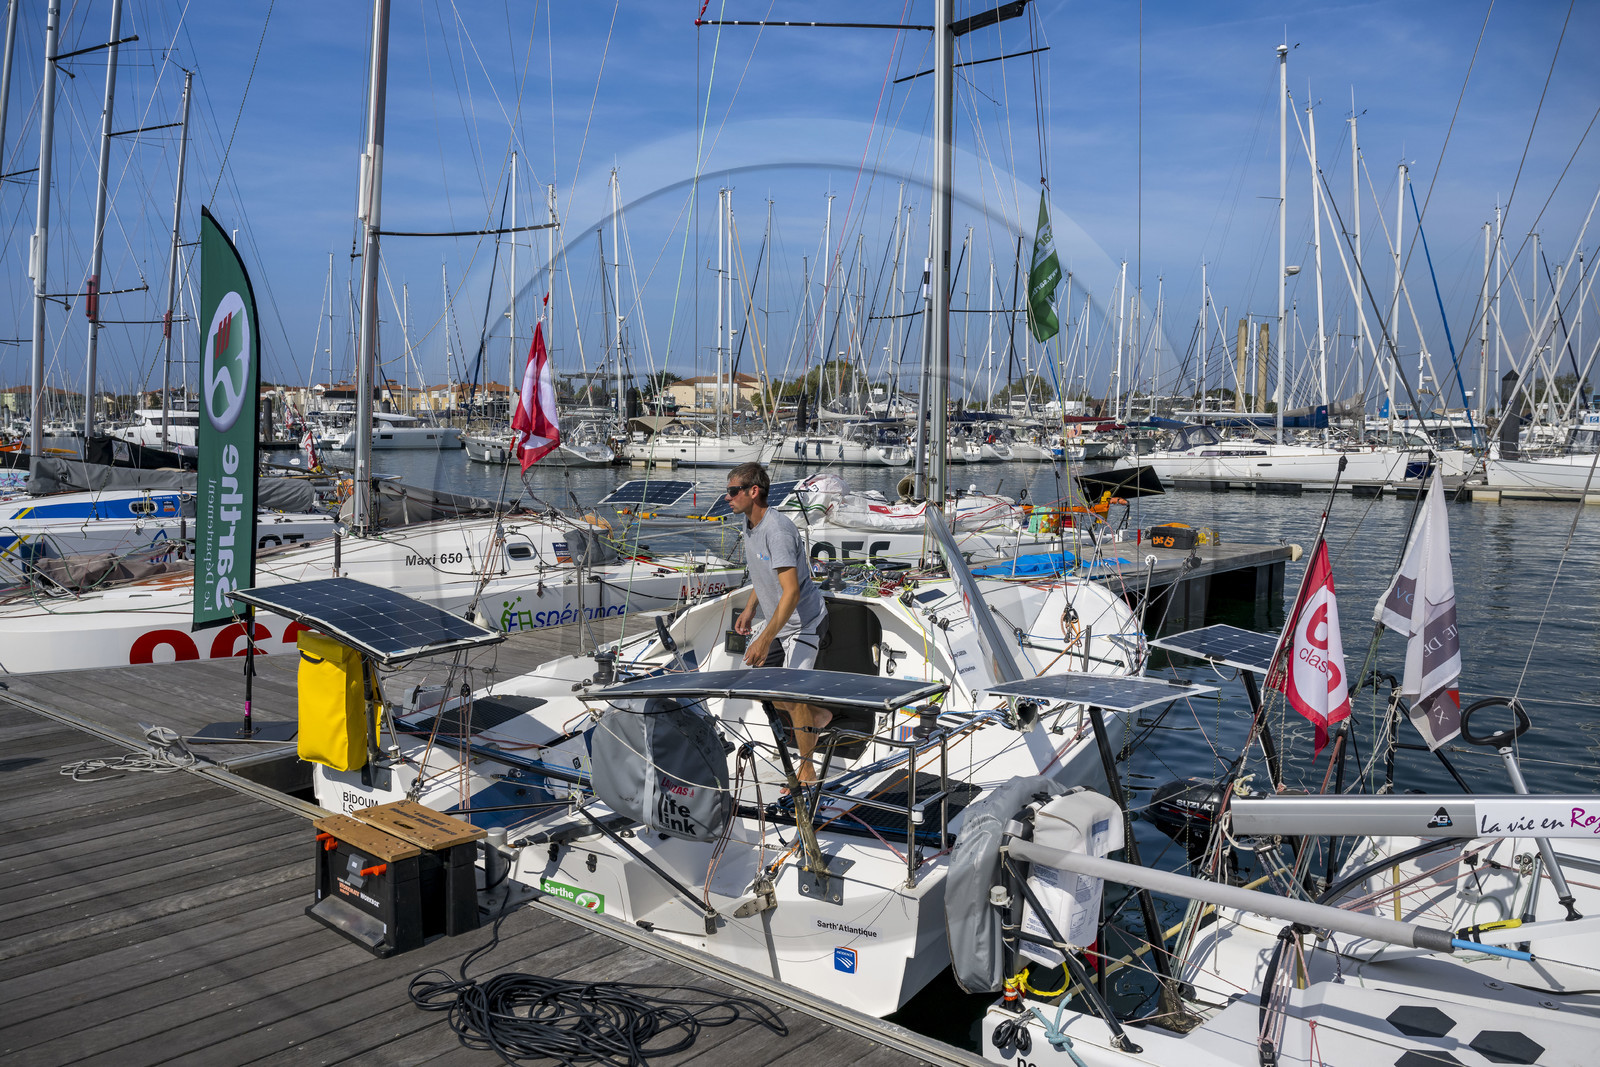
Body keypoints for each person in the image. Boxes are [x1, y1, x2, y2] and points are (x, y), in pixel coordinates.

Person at [725, 461, 832, 786]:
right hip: (778, 622)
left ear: (753, 491)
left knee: (794, 694)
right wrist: (749, 609)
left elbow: (791, 592)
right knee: (760, 689)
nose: (727, 498)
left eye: (732, 491)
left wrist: (763, 639)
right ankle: (818, 717)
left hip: (805, 623)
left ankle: (808, 769)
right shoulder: (749, 524)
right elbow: (764, 574)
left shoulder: (777, 530)